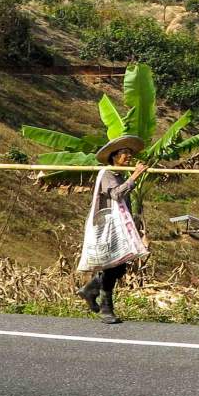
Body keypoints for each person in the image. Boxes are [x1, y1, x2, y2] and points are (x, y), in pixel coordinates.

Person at [77, 135, 151, 324]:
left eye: (129, 153)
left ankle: (89, 290)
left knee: (120, 268)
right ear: (114, 156)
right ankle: (105, 308)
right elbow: (116, 195)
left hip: (120, 229)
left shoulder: (120, 176)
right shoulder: (107, 174)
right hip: (109, 229)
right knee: (112, 268)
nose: (128, 156)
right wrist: (135, 176)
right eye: (124, 153)